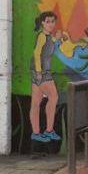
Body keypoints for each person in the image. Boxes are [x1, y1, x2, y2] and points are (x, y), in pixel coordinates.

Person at [30, 10, 69, 142]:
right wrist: (39, 72)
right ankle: (49, 130)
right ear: (42, 23)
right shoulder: (41, 36)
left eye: (53, 21)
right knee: (54, 97)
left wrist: (61, 38)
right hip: (42, 72)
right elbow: (36, 54)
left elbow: (52, 44)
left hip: (38, 71)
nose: (51, 24)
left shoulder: (48, 37)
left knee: (36, 103)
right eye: (48, 22)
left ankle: (36, 133)